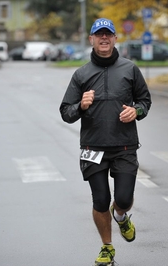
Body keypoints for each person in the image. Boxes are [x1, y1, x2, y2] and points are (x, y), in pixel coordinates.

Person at [59, 18, 151, 266]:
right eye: (99, 35)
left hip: (124, 146)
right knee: (100, 200)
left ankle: (121, 216)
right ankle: (107, 247)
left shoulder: (130, 69)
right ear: (91, 39)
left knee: (122, 198)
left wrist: (136, 112)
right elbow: (66, 112)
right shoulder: (81, 74)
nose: (104, 38)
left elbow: (145, 101)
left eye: (108, 34)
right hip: (93, 148)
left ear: (114, 39)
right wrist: (81, 105)